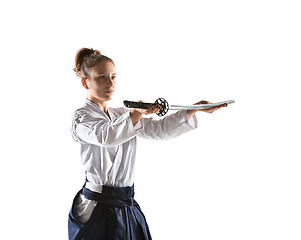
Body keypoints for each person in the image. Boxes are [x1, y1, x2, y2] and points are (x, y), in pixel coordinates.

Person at [68, 48, 227, 240]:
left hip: (125, 203)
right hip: (97, 206)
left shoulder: (121, 115)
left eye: (113, 77)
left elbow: (159, 130)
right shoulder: (81, 118)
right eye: (101, 77)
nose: (110, 83)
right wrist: (136, 114)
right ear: (86, 82)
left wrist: (194, 109)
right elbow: (106, 136)